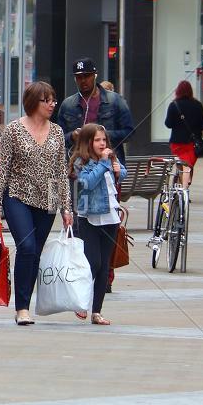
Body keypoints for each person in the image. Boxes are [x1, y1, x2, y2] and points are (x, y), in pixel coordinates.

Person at [0, 81, 74, 326]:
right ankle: (22, 308)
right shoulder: (14, 130)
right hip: (18, 195)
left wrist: (66, 207)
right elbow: (1, 168)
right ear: (32, 102)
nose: (52, 104)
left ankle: (25, 302)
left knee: (35, 252)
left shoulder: (57, 132)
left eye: (53, 100)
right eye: (46, 100)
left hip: (48, 198)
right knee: (26, 247)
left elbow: (61, 172)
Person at [70, 123, 126, 326]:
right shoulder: (81, 162)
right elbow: (87, 183)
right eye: (97, 140)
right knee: (93, 263)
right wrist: (103, 163)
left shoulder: (109, 157)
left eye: (104, 140)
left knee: (105, 266)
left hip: (110, 216)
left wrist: (118, 170)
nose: (102, 143)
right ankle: (80, 301)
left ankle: (97, 312)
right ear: (88, 142)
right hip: (90, 217)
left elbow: (122, 174)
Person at [56, 58, 134, 161]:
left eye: (87, 76)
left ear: (95, 75)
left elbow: (129, 132)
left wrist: (102, 136)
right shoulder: (67, 105)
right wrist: (72, 136)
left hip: (109, 163)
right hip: (80, 164)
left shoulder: (115, 100)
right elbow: (59, 138)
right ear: (75, 79)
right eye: (79, 77)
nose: (83, 80)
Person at [164, 80, 203, 187]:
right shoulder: (197, 105)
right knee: (188, 166)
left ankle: (182, 188)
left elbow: (168, 124)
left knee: (182, 166)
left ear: (178, 91)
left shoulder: (174, 105)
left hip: (177, 143)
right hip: (192, 144)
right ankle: (184, 188)